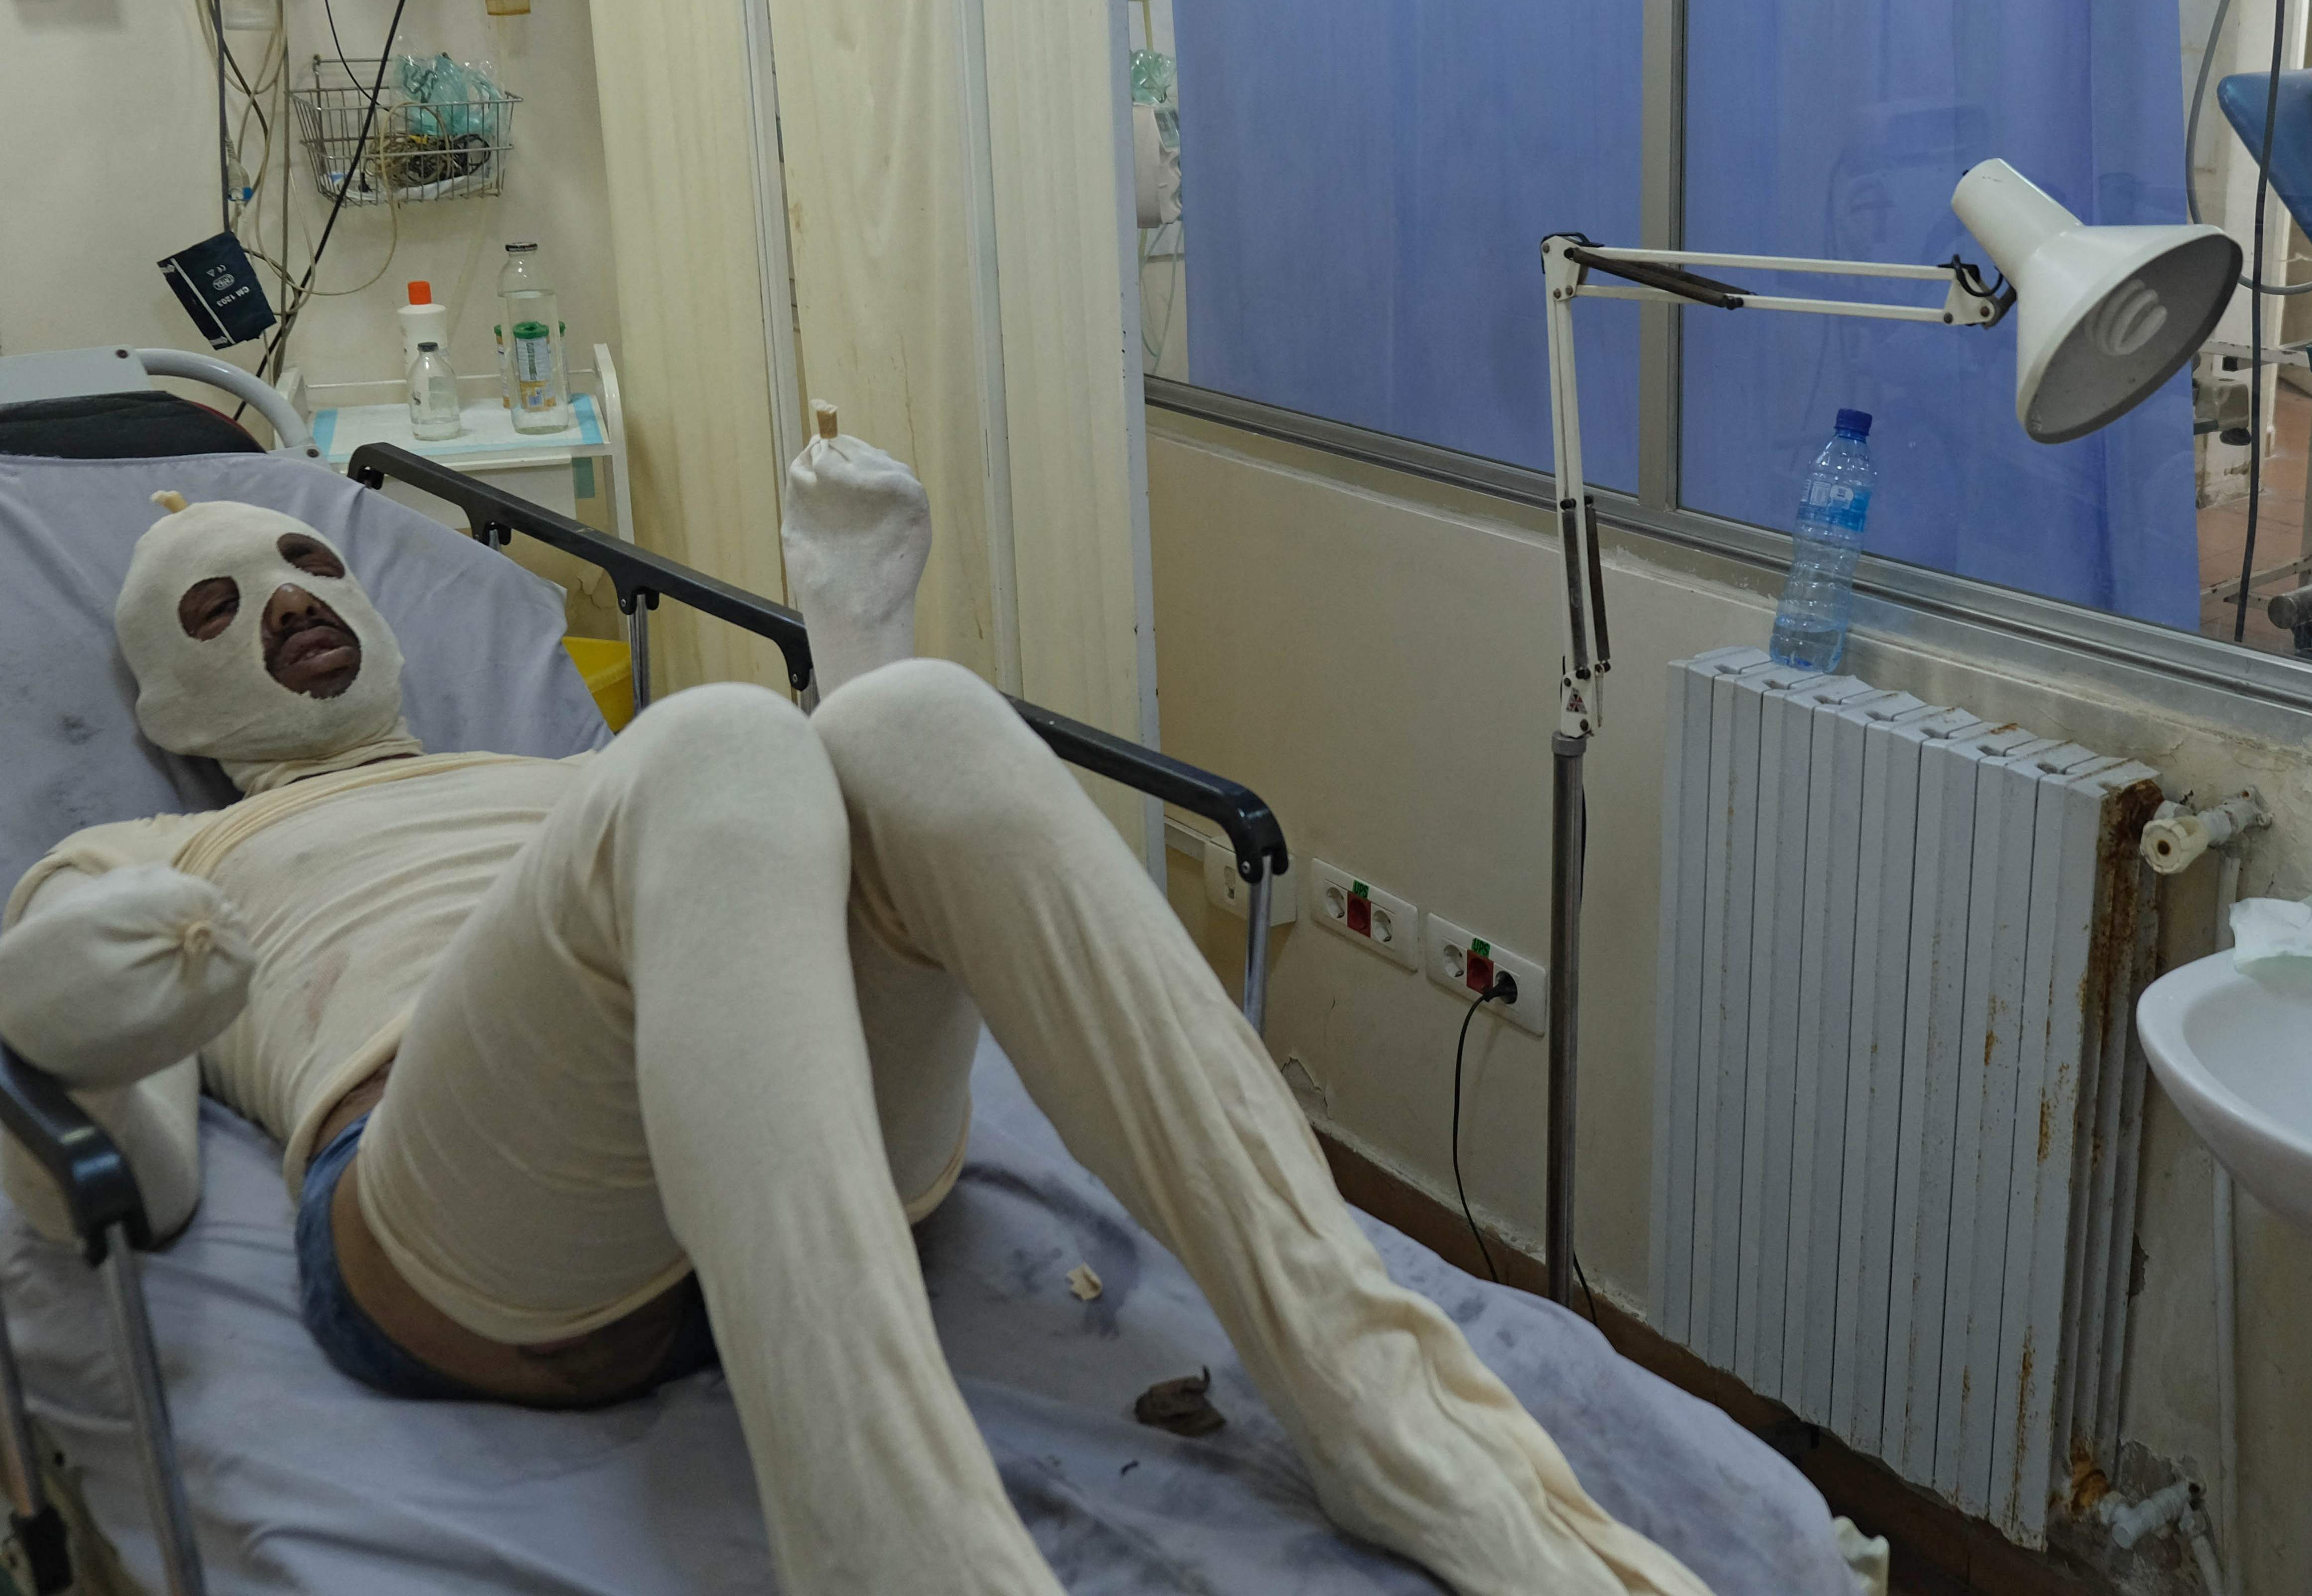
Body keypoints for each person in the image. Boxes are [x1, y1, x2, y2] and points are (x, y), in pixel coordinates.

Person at [0, 420, 1712, 1596]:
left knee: (920, 726)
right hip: (460, 1228)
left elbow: (782, 885)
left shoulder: (549, 774)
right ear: (165, 690)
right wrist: (103, 986)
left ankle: (1394, 1422)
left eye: (308, 565)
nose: (290, 602)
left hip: (768, 1122)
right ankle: (904, 1556)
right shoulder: (154, 839)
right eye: (220, 608)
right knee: (724, 741)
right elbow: (129, 1189)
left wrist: (860, 651)